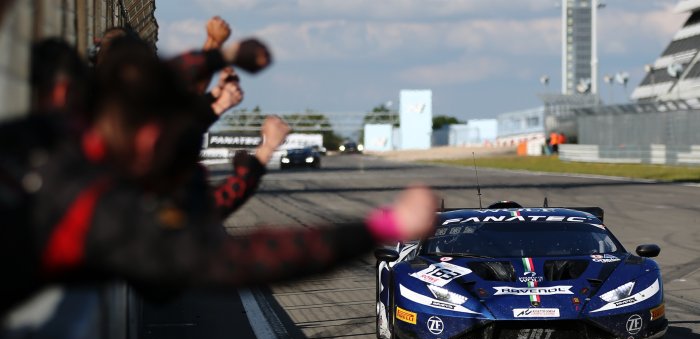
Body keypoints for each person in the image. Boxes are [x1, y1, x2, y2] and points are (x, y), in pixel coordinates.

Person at [0, 35, 437, 312]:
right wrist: (385, 225)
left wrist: (223, 54)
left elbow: (146, 76)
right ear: (152, 140)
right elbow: (234, 259)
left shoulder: (52, 131)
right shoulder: (98, 208)